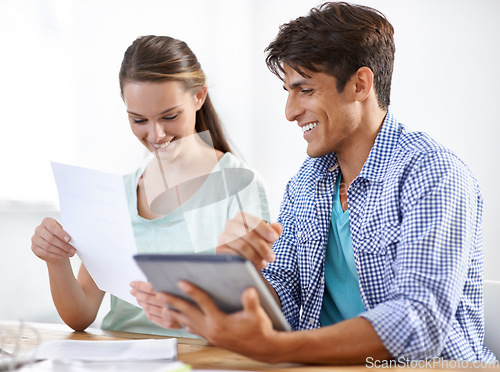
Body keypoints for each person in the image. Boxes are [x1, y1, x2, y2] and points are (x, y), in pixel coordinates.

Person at [130, 2, 497, 364]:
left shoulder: (433, 174)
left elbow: (418, 322)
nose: (290, 112)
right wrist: (233, 282)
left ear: (360, 84)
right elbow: (284, 299)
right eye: (288, 92)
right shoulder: (307, 183)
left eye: (305, 90)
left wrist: (277, 348)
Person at [31, 35, 270, 338]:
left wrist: (189, 309)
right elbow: (81, 314)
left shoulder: (239, 186)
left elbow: (260, 310)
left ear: (199, 97)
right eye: (139, 119)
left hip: (203, 359)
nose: (156, 135)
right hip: (121, 356)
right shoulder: (116, 195)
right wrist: (56, 260)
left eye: (169, 116)